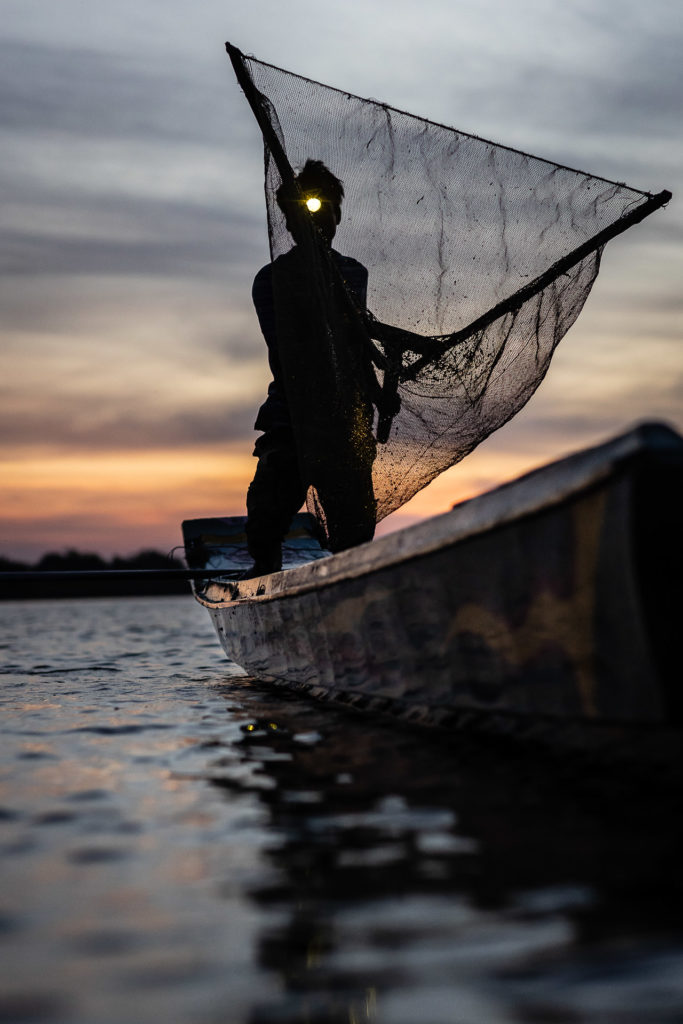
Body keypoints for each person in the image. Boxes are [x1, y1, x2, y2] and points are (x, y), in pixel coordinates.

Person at [244, 159, 376, 577]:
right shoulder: (271, 279)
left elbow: (357, 345)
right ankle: (264, 576)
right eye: (310, 211)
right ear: (289, 220)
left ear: (338, 216)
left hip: (344, 420)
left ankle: (350, 584)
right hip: (292, 416)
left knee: (354, 530)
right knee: (266, 514)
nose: (323, 220)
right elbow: (287, 352)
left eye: (329, 210)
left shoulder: (353, 273)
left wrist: (375, 390)